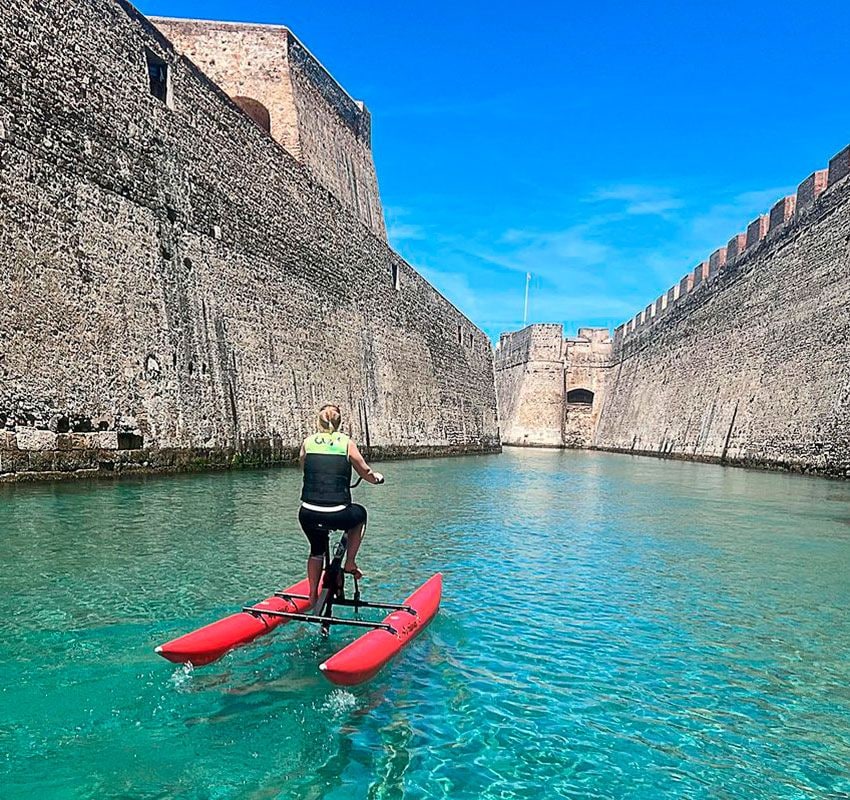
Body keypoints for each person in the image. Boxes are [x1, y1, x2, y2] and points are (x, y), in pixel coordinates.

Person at [298, 404, 384, 611]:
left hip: (308, 512)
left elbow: (303, 466)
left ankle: (312, 594)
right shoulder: (346, 443)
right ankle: (350, 562)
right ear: (339, 423)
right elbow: (366, 471)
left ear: (318, 422)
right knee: (360, 514)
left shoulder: (307, 442)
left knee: (316, 550)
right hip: (337, 513)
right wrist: (377, 479)